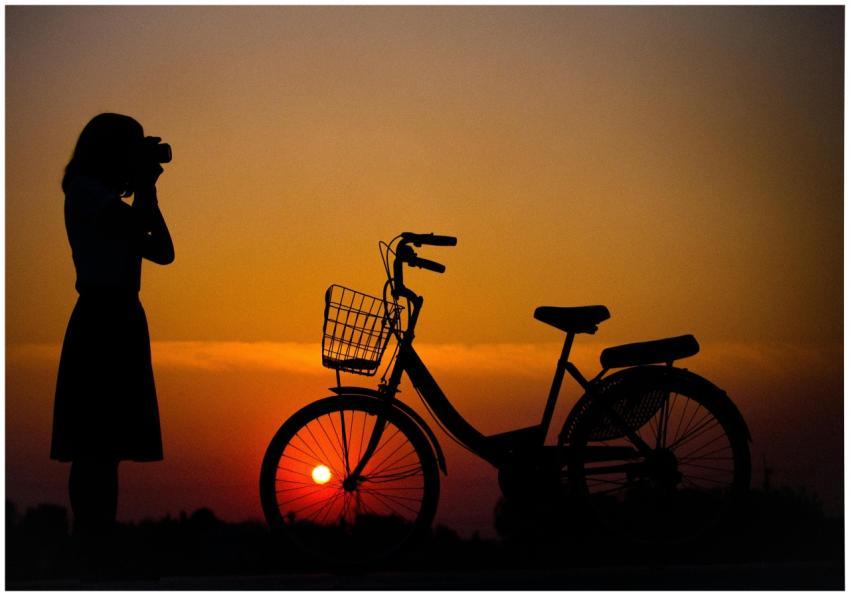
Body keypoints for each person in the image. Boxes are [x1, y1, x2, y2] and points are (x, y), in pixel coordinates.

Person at [50, 113, 174, 551]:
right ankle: (89, 542)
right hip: (101, 317)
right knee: (92, 447)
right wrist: (143, 185)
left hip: (121, 317)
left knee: (109, 448)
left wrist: (149, 189)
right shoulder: (86, 194)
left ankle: (97, 543)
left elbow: (162, 251)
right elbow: (134, 232)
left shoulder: (102, 197)